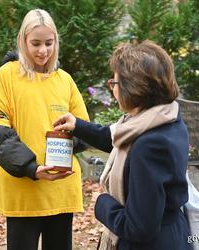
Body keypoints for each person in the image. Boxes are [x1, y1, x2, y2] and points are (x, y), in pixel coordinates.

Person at [54, 40, 192, 250]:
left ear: (134, 88)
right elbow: (116, 138)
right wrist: (78, 126)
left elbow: (139, 227)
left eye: (115, 84)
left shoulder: (149, 146)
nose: (113, 90)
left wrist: (102, 203)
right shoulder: (165, 117)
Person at [0, 9, 89, 250]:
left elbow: (84, 127)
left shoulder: (64, 80)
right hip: (23, 193)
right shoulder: (5, 77)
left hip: (60, 191)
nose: (43, 51)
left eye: (49, 43)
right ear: (22, 41)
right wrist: (32, 168)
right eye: (36, 43)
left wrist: (73, 134)